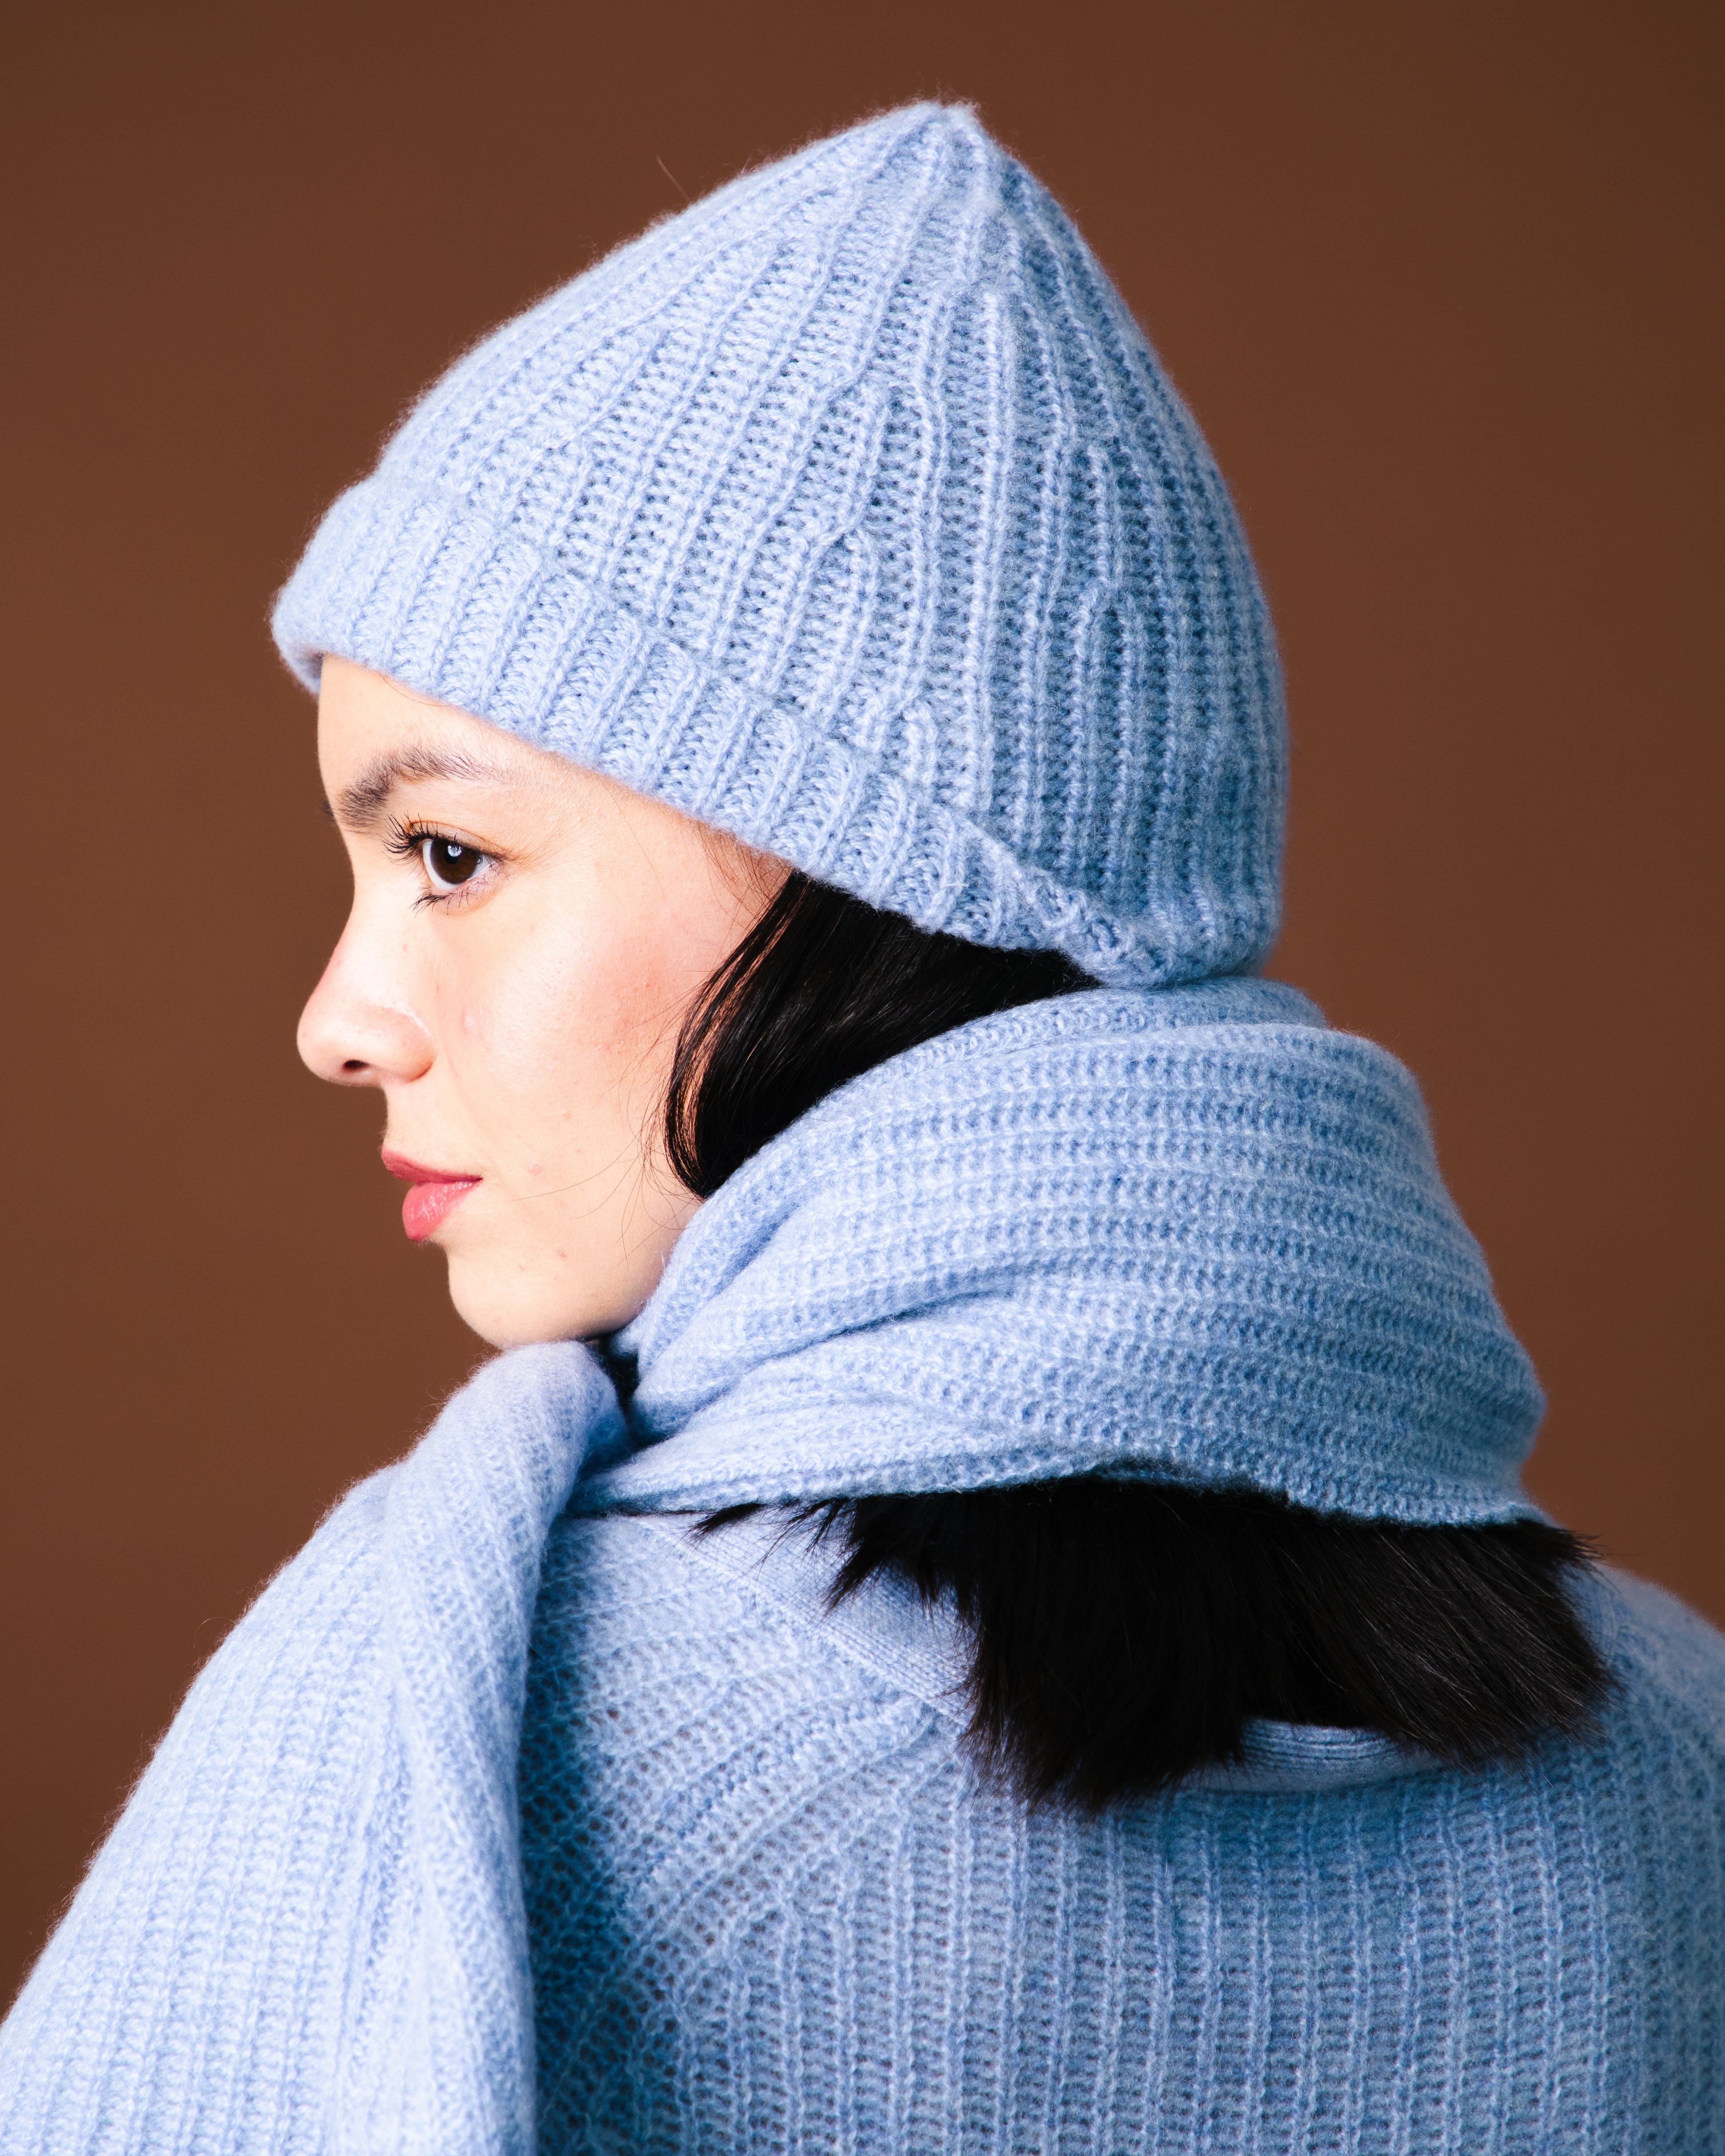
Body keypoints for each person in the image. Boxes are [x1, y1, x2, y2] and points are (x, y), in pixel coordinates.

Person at [1, 102, 1719, 2156]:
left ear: (874, 875)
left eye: (450, 855)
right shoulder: (1682, 1758)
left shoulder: (474, 1786)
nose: (336, 1023)